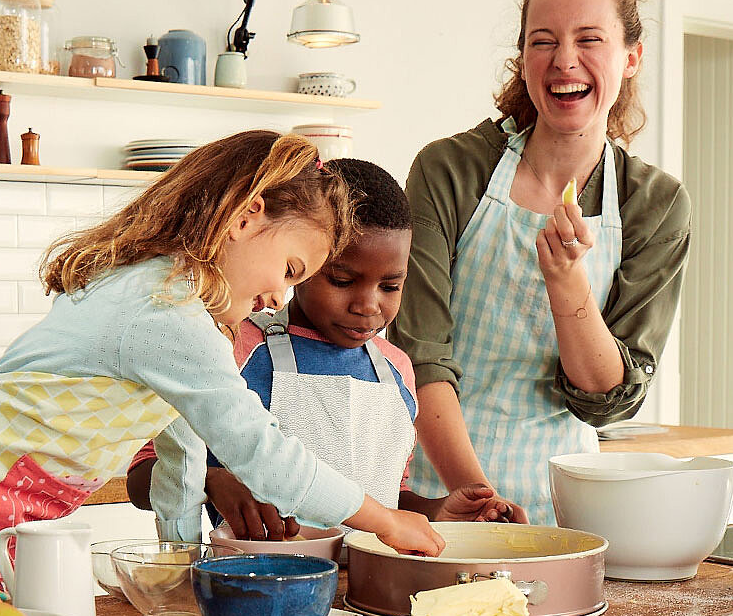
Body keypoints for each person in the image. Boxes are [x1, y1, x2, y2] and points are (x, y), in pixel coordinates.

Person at [0, 132, 444, 616]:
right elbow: (264, 455)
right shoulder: (168, 312)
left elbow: (180, 448)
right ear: (247, 217)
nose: (281, 295)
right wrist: (382, 520)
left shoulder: (175, 302)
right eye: (289, 267)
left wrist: (177, 562)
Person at [392, 0, 694, 526]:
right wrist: (480, 503)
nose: (564, 61)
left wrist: (567, 284)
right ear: (523, 58)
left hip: (569, 508)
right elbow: (419, 358)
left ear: (631, 58)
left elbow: (608, 399)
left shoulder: (654, 205)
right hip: (436, 500)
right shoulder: (450, 170)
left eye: (589, 39)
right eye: (543, 41)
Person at [125, 158, 517, 539]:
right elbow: (142, 478)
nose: (367, 305)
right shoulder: (234, 345)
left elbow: (385, 498)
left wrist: (436, 511)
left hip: (368, 584)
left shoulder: (397, 369)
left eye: (390, 286)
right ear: (301, 264)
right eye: (342, 280)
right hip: (260, 583)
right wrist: (210, 480)